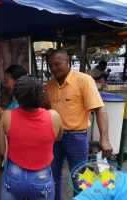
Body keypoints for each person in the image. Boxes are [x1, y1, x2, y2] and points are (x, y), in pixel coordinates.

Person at [45, 49, 113, 199]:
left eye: (57, 64)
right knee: (52, 178)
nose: (53, 68)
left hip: (76, 139)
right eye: (50, 65)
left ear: (67, 62)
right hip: (54, 138)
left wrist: (105, 139)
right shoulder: (50, 85)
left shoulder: (83, 80)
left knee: (80, 180)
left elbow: (99, 109)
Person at [0, 75, 63, 200]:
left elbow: (2, 151)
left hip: (14, 173)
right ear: (40, 93)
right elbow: (58, 137)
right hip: (42, 177)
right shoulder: (54, 116)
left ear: (17, 98)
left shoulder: (7, 116)